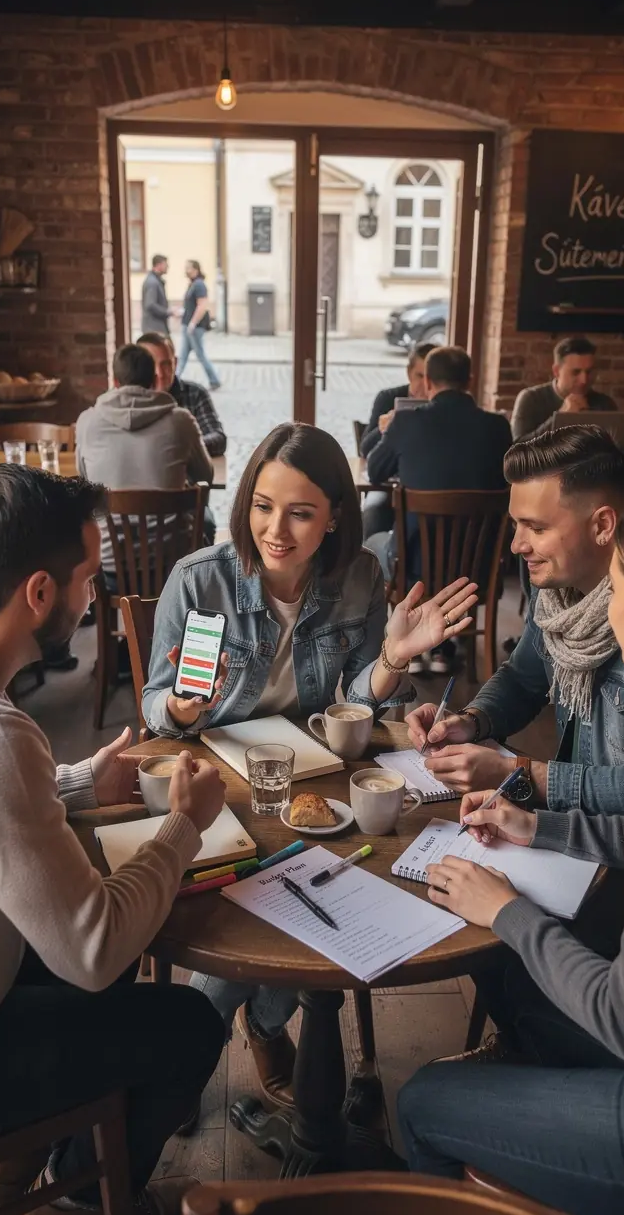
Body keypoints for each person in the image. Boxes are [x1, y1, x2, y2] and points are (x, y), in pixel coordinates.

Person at [0, 465, 226, 1215]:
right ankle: (79, 1202)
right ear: (40, 594)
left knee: (95, 974)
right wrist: (184, 827)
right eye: (88, 579)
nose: (93, 597)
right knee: (187, 1026)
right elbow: (95, 945)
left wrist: (77, 784)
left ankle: (16, 1167)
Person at [398, 487, 624, 1215]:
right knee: (526, 998)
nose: (608, 604)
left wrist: (508, 912)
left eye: (621, 589)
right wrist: (533, 828)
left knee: (421, 1101)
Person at [142, 422, 478, 1108]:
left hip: (315, 776)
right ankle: (181, 1071)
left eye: (299, 512)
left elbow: (353, 708)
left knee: (324, 896)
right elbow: (155, 707)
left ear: (333, 519)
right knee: (272, 901)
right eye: (263, 506)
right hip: (218, 782)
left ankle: (227, 1043)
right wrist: (180, 707)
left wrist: (390, 661)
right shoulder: (197, 580)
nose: (276, 529)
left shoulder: (359, 576)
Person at [406, 426, 624, 813]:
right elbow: (523, 677)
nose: (517, 544)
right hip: (566, 827)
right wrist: (469, 721)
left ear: (602, 526)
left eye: (537, 527)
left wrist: (517, 774)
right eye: (516, 524)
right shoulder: (554, 593)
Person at [365, 345, 512, 674]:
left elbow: (374, 471)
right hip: (478, 571)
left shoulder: (406, 422)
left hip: (414, 570)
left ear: (428, 381)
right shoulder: (498, 428)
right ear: (470, 381)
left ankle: (406, 646)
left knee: (374, 542)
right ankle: (443, 648)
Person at [76, 343, 214, 568]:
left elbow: (84, 480)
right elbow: (206, 475)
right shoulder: (181, 421)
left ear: (116, 382)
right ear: (153, 381)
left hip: (111, 565)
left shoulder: (87, 422)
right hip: (173, 566)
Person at [359, 339, 434, 541]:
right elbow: (365, 449)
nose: (425, 384)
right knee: (372, 513)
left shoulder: (441, 407)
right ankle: (371, 567)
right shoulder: (388, 397)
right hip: (387, 485)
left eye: (431, 377)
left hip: (427, 490)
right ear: (409, 372)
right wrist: (384, 428)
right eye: (420, 375)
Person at [137, 330, 227, 458]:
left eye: (166, 364)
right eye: (151, 365)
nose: (160, 373)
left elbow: (218, 439)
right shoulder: (131, 399)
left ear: (175, 363)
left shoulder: (195, 394)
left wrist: (180, 447)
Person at [510, 336, 617, 442]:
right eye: (576, 372)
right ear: (556, 371)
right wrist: (560, 418)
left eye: (589, 372)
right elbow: (518, 449)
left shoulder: (605, 404)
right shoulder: (531, 399)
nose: (584, 380)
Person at [177, 260, 220, 391]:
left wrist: (193, 323)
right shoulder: (192, 284)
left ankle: (214, 380)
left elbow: (202, 305)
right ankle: (175, 378)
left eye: (188, 268)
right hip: (187, 325)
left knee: (200, 354)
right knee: (183, 355)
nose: (186, 270)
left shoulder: (200, 285)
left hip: (194, 327)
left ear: (196, 269)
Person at [140, 253, 172, 337]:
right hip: (154, 327)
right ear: (159, 265)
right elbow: (150, 304)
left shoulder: (156, 281)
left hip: (157, 326)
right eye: (165, 264)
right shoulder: (152, 282)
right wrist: (167, 311)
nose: (167, 267)